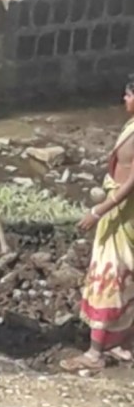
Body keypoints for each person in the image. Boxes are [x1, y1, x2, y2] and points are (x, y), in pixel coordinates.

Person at [62, 76, 134, 374]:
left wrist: (99, 210)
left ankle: (94, 353)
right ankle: (119, 341)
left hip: (122, 213)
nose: (124, 100)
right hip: (123, 212)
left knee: (109, 277)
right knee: (126, 277)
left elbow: (131, 181)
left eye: (128, 95)